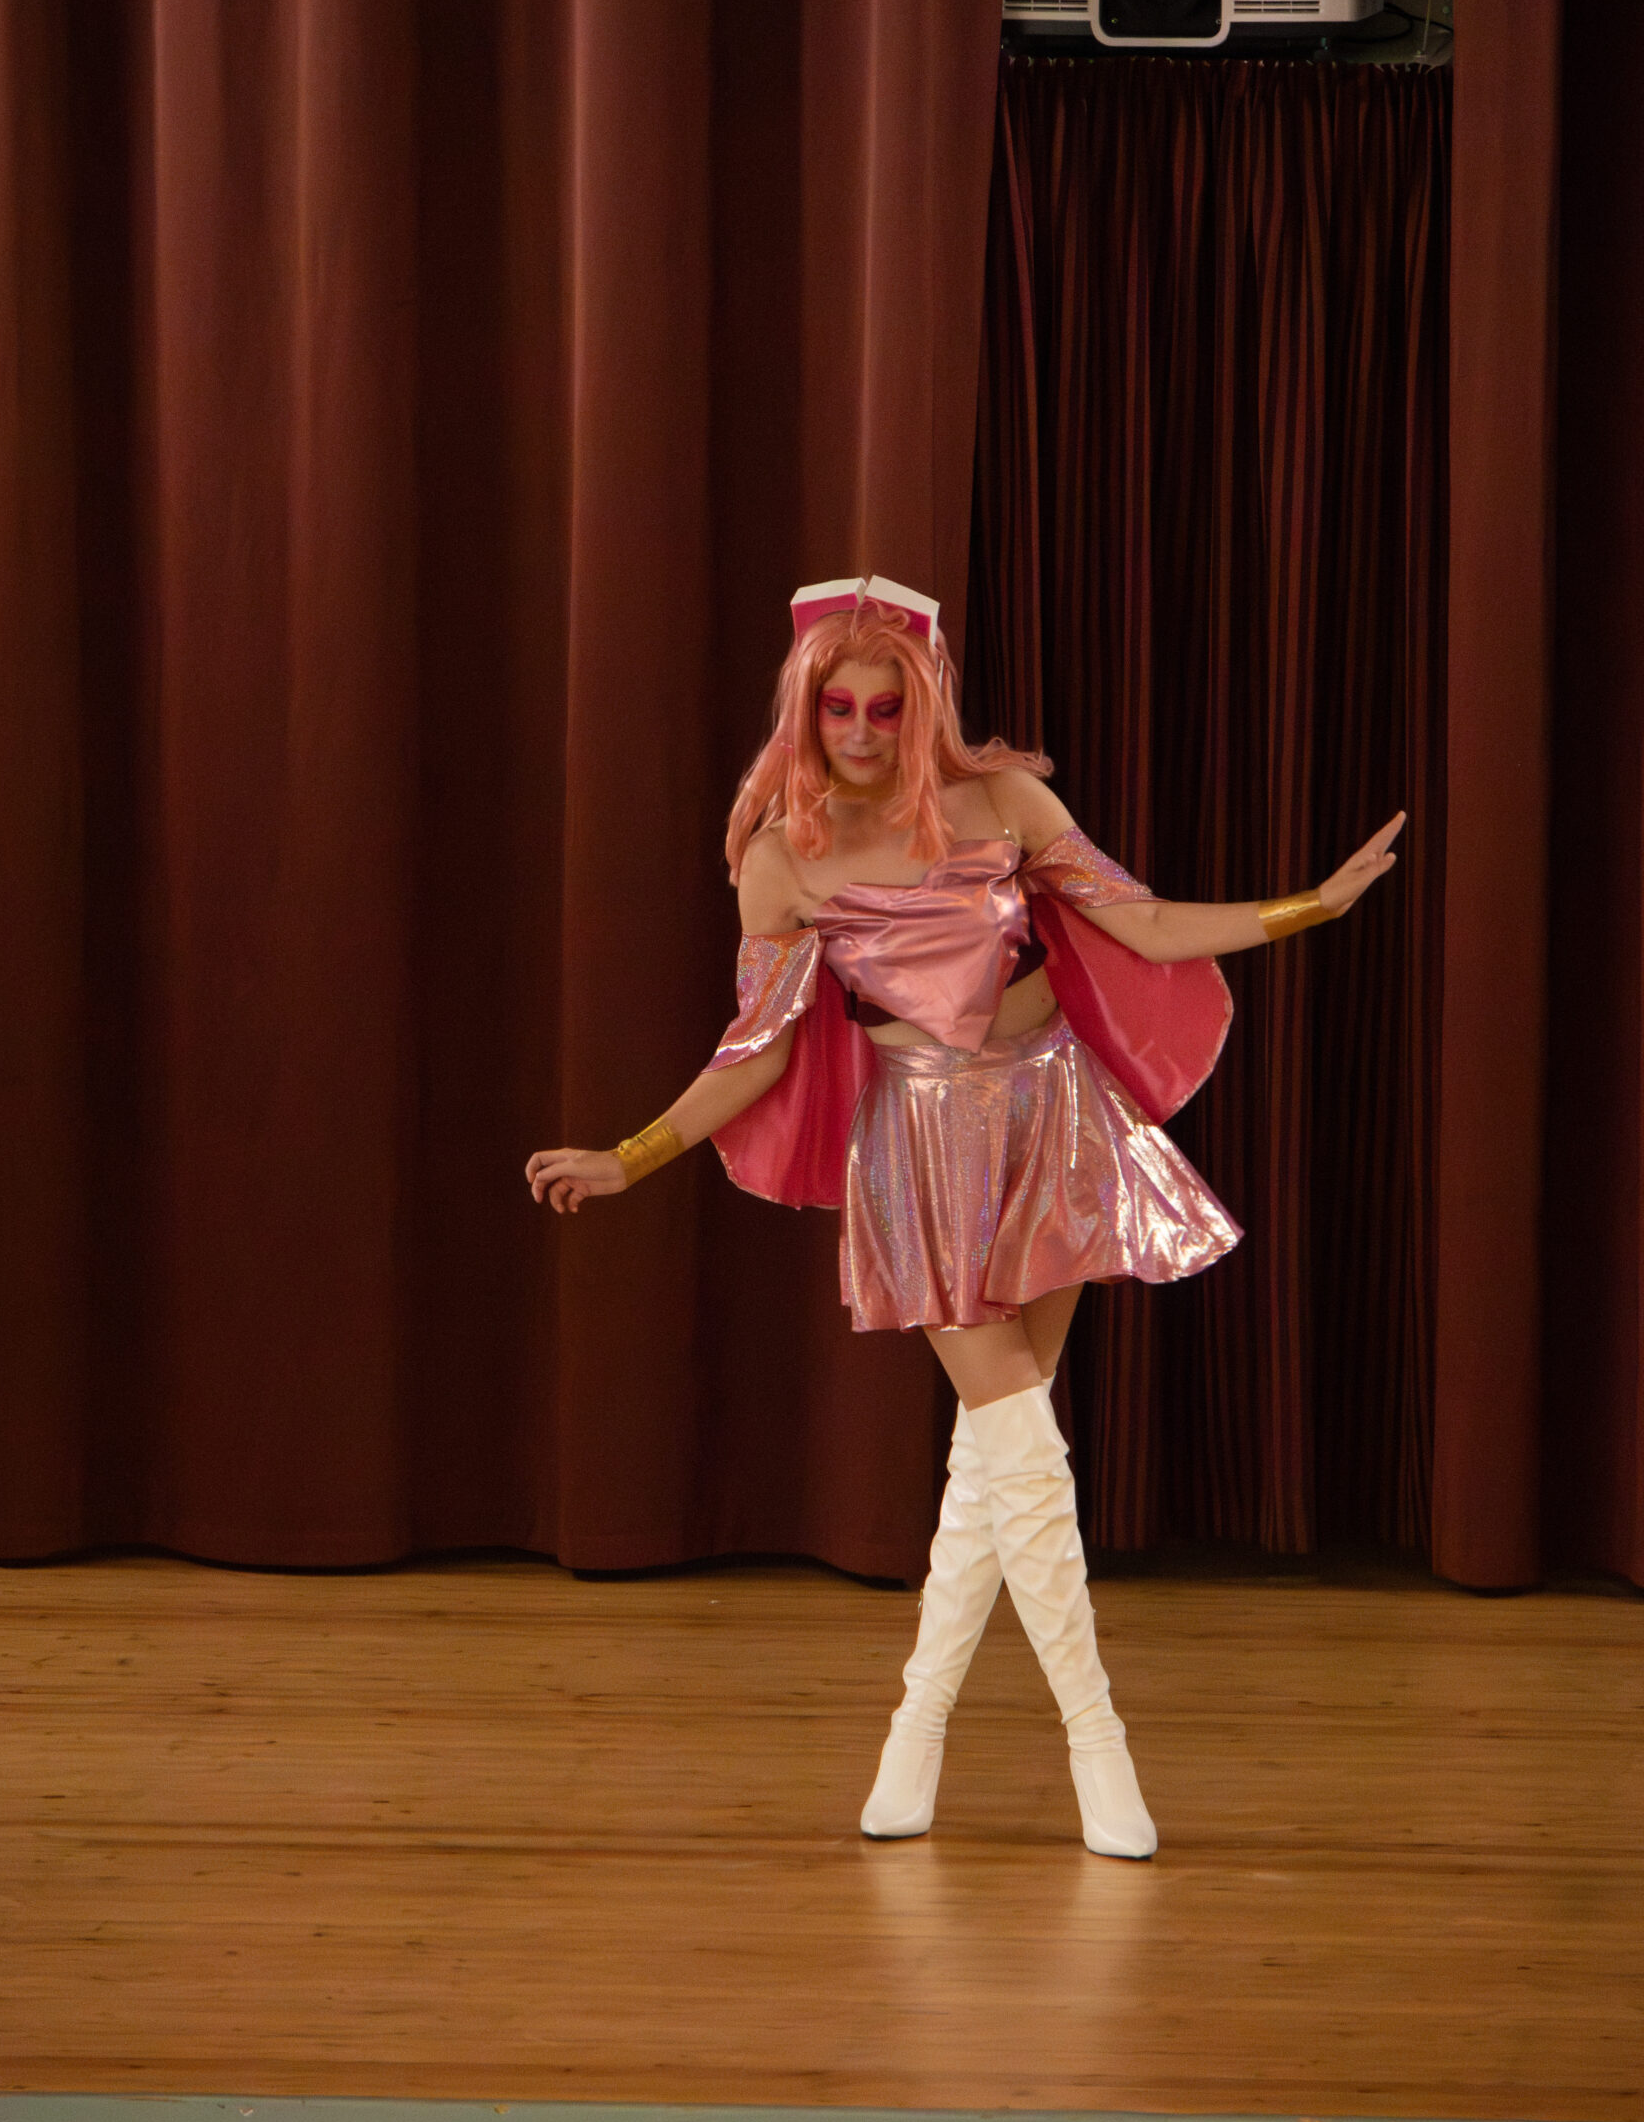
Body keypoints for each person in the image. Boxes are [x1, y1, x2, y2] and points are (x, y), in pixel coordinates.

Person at [527, 575, 1402, 1858]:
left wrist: (1308, 906)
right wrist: (629, 1157)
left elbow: (1147, 923)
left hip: (1054, 1117)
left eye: (885, 707)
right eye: (839, 708)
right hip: (923, 1153)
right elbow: (758, 1049)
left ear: (921, 703)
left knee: (997, 1458)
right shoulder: (782, 858)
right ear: (807, 710)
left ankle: (916, 1733)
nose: (862, 732)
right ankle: (1097, 1743)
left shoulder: (1004, 805)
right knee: (1023, 1447)